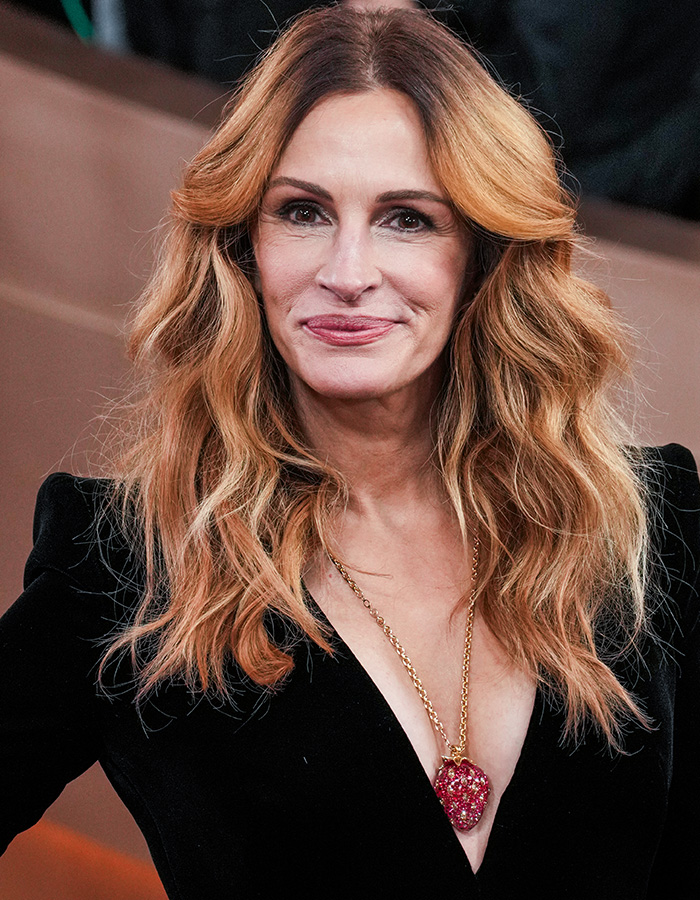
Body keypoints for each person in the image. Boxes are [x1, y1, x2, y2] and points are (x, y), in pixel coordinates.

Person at [1, 7, 698, 898]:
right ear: (244, 248)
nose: (348, 269)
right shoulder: (129, 566)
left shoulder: (653, 529)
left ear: (481, 255)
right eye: (302, 212)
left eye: (407, 219)